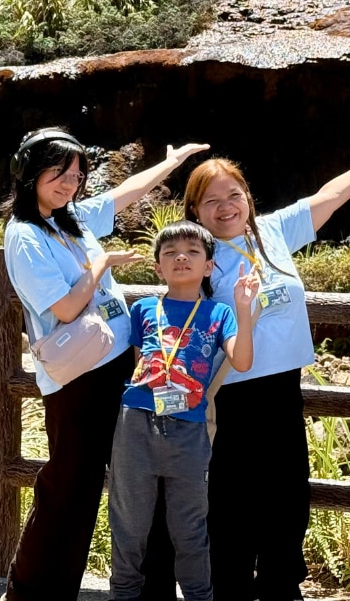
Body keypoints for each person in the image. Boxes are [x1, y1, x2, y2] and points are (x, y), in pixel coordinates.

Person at [2, 128, 211, 601]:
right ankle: (31, 593)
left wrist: (171, 162)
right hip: (78, 380)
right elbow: (65, 308)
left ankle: (143, 590)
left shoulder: (69, 219)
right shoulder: (25, 235)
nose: (69, 184)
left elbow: (124, 194)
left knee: (140, 477)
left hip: (118, 368)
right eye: (59, 173)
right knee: (69, 487)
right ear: (29, 171)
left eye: (77, 176)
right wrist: (102, 265)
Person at [185, 141, 350, 601]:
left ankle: (282, 587)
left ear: (247, 197)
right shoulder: (198, 256)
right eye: (211, 200)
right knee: (232, 503)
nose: (226, 207)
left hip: (284, 389)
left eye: (233, 195)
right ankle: (230, 589)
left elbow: (327, 198)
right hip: (232, 395)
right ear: (195, 211)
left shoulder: (271, 232)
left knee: (287, 497)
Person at [108, 222, 260, 601]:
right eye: (170, 252)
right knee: (129, 525)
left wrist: (244, 309)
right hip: (136, 424)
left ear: (208, 266)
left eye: (193, 251)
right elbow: (139, 362)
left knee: (189, 527)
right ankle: (123, 595)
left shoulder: (218, 312)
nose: (181, 257)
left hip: (189, 431)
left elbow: (242, 361)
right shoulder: (144, 308)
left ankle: (198, 596)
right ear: (157, 267)